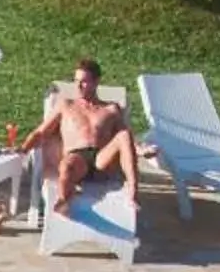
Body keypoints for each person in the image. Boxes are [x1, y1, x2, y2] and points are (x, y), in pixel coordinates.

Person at [20, 58, 142, 220]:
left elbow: (126, 137)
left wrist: (141, 149)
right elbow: (41, 132)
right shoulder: (66, 105)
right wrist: (23, 149)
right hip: (77, 159)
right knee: (67, 165)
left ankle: (133, 193)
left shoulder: (111, 109)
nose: (78, 86)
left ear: (96, 82)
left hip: (102, 159)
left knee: (124, 135)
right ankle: (64, 201)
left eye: (84, 82)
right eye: (76, 81)